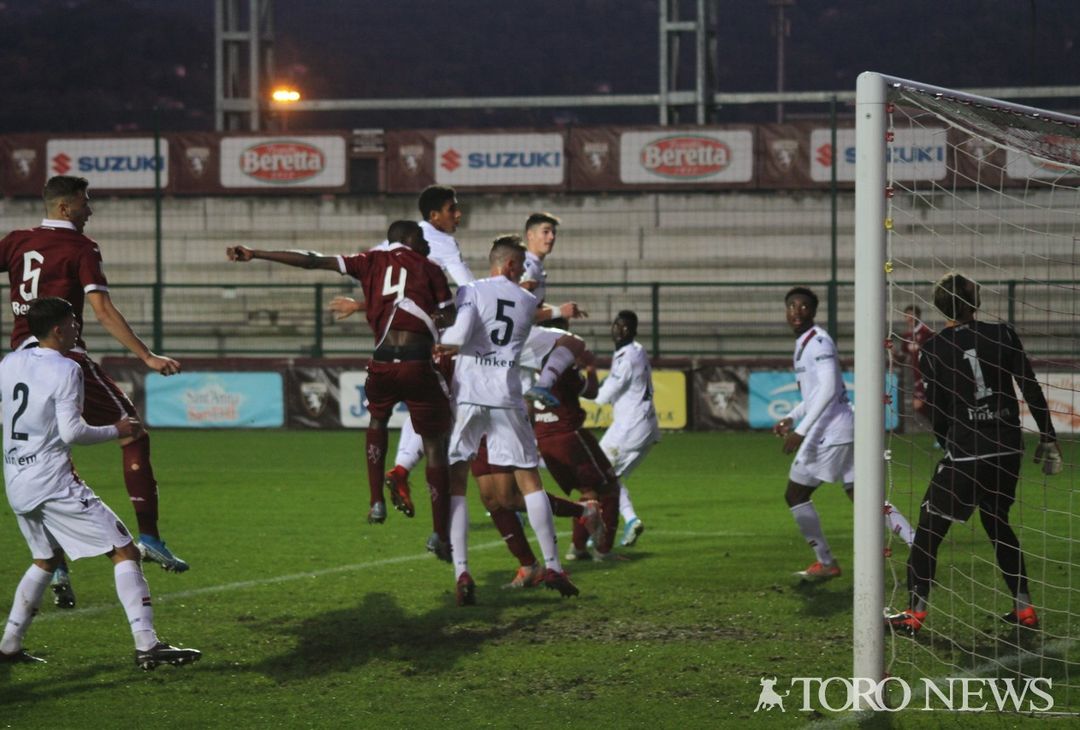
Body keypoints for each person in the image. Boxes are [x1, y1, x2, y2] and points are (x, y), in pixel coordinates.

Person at [0, 175, 189, 611]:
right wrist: (146, 355)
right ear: (66, 208)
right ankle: (149, 537)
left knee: (47, 454)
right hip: (63, 358)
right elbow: (101, 308)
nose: (91, 209)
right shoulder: (81, 249)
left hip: (18, 364)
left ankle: (55, 562)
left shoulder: (15, 240)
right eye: (86, 202)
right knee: (133, 432)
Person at [226, 221, 457, 555]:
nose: (427, 244)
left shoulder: (369, 261)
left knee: (377, 421)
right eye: (422, 238)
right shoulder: (430, 268)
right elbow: (448, 316)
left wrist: (256, 253)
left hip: (380, 362)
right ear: (409, 239)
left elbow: (312, 260)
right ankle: (439, 534)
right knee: (435, 444)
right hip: (417, 363)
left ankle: (376, 501)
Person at [0, 297, 201, 670]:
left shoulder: (9, 362)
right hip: (52, 482)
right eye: (74, 320)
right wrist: (118, 429)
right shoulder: (66, 368)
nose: (78, 325)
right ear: (59, 328)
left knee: (45, 559)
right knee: (125, 550)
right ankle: (148, 645)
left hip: (15, 477)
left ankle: (9, 645)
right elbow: (72, 431)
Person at [886, 273, 1062, 635]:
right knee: (997, 522)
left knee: (929, 528)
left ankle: (914, 612)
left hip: (968, 454)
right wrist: (1047, 436)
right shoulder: (1003, 334)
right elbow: (1028, 385)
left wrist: (950, 444)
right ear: (973, 300)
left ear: (941, 305)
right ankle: (1024, 607)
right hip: (1008, 450)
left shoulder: (933, 349)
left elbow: (938, 409)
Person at [435, 235, 579, 605]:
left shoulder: (471, 289)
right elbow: (530, 324)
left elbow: (463, 332)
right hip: (505, 395)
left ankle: (462, 570)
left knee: (457, 481)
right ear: (513, 266)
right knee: (529, 480)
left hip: (469, 394)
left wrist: (446, 343)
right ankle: (554, 565)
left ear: (496, 262)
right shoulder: (527, 300)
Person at [773, 287, 914, 582]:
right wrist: (792, 415)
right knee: (863, 495)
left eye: (802, 307)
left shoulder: (819, 343)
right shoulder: (805, 342)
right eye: (791, 307)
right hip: (842, 426)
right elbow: (816, 394)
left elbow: (828, 388)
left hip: (832, 430)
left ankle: (826, 562)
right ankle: (919, 545)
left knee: (795, 493)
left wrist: (800, 431)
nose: (796, 312)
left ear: (813, 312)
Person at [592, 311, 661, 548]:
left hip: (631, 426)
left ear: (633, 331)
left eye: (625, 327)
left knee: (598, 472)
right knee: (612, 478)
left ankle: (600, 531)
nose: (619, 330)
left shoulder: (627, 358)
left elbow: (605, 394)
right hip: (645, 425)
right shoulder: (636, 350)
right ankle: (630, 520)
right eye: (616, 325)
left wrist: (585, 389)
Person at [895, 304, 934, 428]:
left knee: (920, 404)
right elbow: (902, 357)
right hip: (916, 375)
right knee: (921, 405)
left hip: (929, 373)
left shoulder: (926, 332)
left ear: (918, 315)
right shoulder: (907, 336)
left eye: (912, 314)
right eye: (907, 315)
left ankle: (943, 429)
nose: (909, 317)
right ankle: (943, 430)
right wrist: (892, 352)